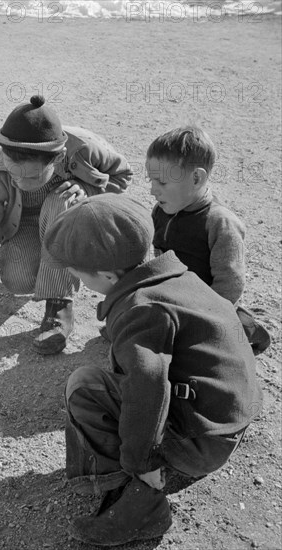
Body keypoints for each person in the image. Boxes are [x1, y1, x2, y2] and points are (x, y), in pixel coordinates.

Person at [43, 194, 262, 546]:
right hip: (228, 417)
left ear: (108, 275)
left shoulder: (140, 308)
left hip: (203, 443)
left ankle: (139, 504)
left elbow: (148, 387)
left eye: (77, 274)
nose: (77, 281)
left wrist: (141, 461)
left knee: (84, 386)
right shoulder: (174, 275)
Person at [0, 95, 132, 354]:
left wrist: (87, 189)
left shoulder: (84, 149)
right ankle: (53, 267)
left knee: (61, 201)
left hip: (68, 215)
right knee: (17, 280)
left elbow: (123, 175)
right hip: (26, 222)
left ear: (58, 158)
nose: (18, 181)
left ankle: (59, 306)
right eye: (13, 172)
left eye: (29, 176)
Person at [147, 126, 270, 354]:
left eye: (162, 183)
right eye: (151, 181)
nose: (153, 190)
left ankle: (240, 328)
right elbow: (158, 253)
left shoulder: (219, 222)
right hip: (176, 295)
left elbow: (229, 283)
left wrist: (207, 317)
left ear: (196, 178)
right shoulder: (161, 210)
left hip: (207, 305)